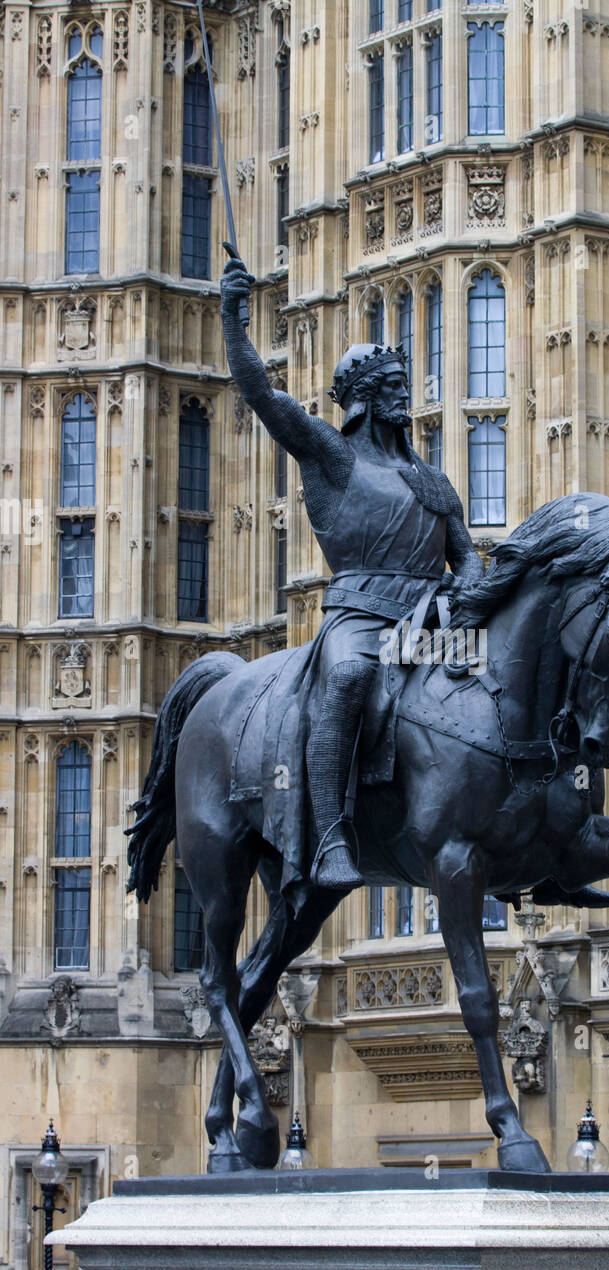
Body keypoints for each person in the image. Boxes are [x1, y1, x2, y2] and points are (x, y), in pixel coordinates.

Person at [220, 254, 483, 890]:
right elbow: (262, 394)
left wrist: (472, 583)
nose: (404, 394)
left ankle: (543, 833)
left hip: (431, 622)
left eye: (403, 383)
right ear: (364, 398)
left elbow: (466, 553)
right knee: (346, 678)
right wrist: (233, 318)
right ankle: (331, 835)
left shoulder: (432, 479)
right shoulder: (333, 458)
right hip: (361, 618)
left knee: (515, 681)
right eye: (392, 385)